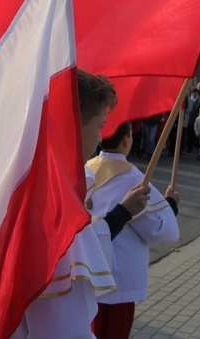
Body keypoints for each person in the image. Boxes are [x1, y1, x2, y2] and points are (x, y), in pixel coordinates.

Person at [12, 71, 150, 338]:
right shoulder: (57, 199)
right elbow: (62, 324)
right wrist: (121, 215)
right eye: (99, 126)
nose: (101, 138)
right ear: (74, 125)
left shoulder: (26, 177)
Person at [87, 121, 180, 339]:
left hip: (88, 272)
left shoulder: (84, 169)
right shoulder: (133, 179)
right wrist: (171, 205)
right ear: (126, 140)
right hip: (118, 280)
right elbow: (158, 229)